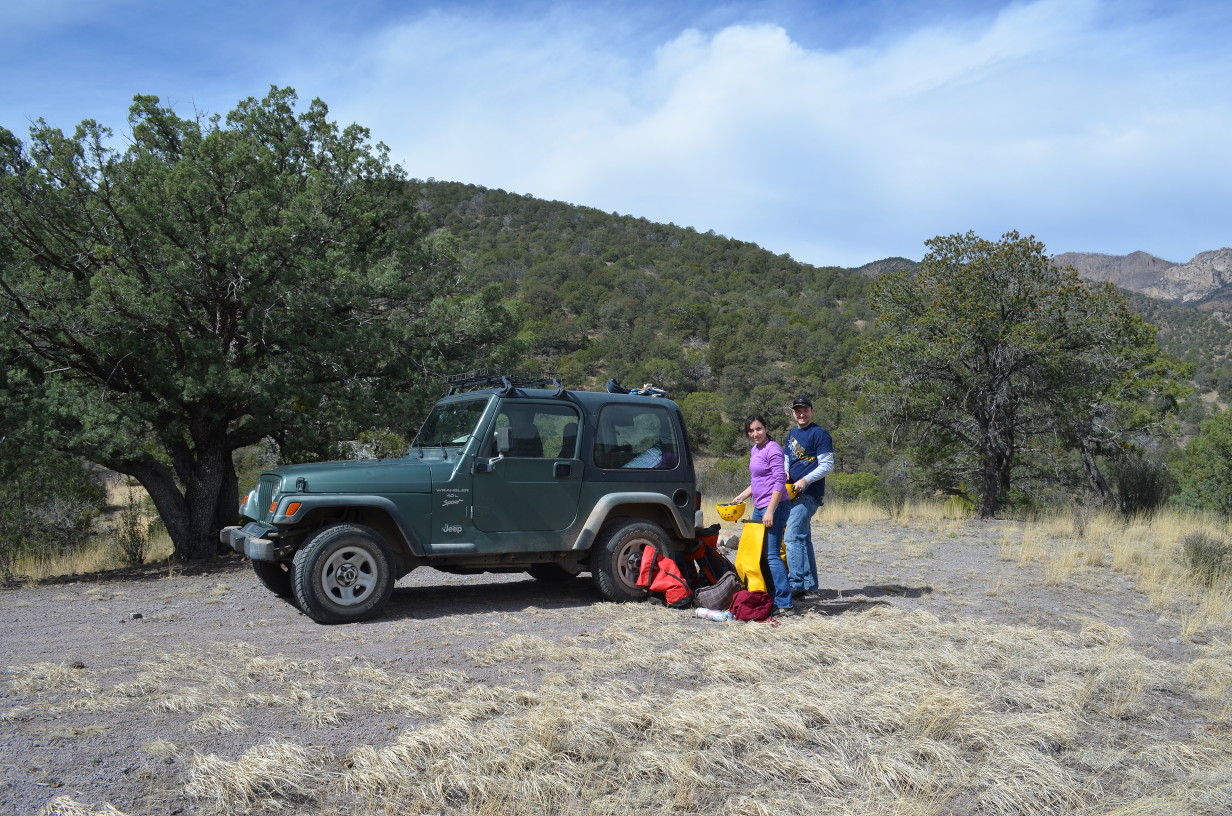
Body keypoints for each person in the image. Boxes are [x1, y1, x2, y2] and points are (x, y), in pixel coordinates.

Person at [730, 414, 794, 616]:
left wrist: (770, 510)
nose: (755, 433)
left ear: (766, 428)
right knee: (760, 554)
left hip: (775, 507)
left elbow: (779, 481)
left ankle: (785, 603)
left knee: (772, 554)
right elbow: (757, 480)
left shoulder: (773, 448)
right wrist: (742, 496)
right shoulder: (755, 450)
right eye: (751, 430)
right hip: (759, 507)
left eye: (758, 429)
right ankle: (771, 596)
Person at [783, 396, 834, 598]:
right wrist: (785, 472)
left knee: (792, 536)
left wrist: (805, 480)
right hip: (792, 493)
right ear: (793, 413)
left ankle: (796, 584)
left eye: (805, 410)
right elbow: (787, 458)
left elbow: (827, 465)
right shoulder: (791, 435)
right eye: (798, 411)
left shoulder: (820, 433)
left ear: (812, 411)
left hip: (809, 493)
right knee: (803, 538)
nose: (801, 414)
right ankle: (810, 586)